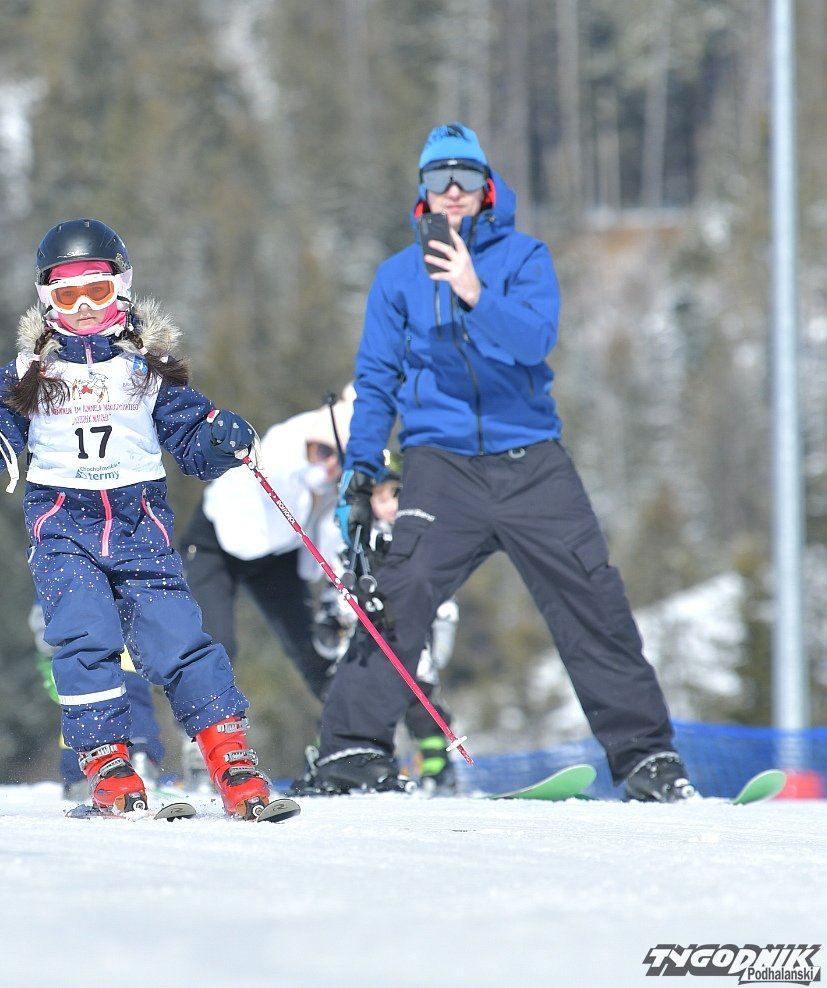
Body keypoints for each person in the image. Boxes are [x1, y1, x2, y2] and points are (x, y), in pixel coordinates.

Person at [329, 122, 696, 803]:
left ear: (487, 187)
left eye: (465, 178)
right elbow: (376, 380)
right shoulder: (397, 277)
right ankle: (351, 749)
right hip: (441, 465)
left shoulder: (524, 257)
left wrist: (473, 290)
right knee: (400, 590)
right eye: (438, 180)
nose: (453, 192)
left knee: (593, 599)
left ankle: (647, 759)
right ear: (421, 192)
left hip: (531, 461)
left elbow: (534, 341)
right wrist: (361, 468)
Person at [0, 218, 296, 821]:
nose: (83, 307)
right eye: (66, 295)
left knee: (177, 639)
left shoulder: (148, 367)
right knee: (85, 638)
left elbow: (189, 437)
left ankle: (229, 755)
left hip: (139, 526)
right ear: (46, 300)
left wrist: (218, 438)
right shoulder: (30, 373)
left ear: (123, 289)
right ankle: (107, 763)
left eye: (97, 291)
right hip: (63, 530)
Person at [294, 455, 462, 796]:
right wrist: (330, 623)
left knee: (421, 704)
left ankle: (438, 766)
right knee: (341, 701)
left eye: (396, 496)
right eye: (381, 498)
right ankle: (328, 759)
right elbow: (338, 590)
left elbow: (441, 595)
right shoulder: (355, 545)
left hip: (410, 642)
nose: (390, 506)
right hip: (363, 646)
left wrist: (442, 634)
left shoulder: (420, 541)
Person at [181, 388, 354, 700]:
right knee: (215, 643)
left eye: (339, 459)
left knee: (313, 650)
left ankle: (345, 722)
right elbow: (275, 470)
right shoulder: (288, 440)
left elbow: (331, 532)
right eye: (324, 452)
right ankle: (203, 721)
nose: (329, 465)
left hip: (275, 556)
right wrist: (307, 478)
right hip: (216, 545)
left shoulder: (334, 480)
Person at [28, 604, 164, 800]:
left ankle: (81, 775)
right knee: (122, 696)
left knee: (82, 704)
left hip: (80, 645)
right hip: (116, 639)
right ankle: (138, 760)